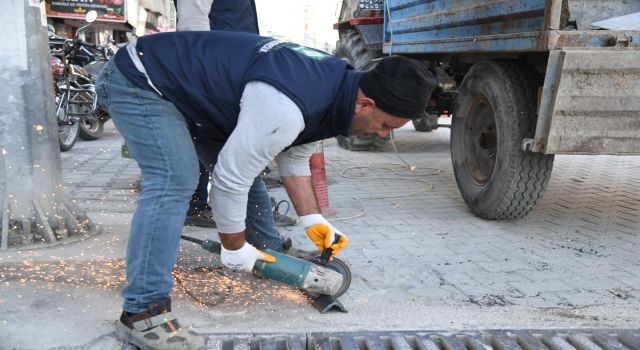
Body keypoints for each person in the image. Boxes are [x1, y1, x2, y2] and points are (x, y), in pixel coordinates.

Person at [96, 31, 437, 349]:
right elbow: (230, 180)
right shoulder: (289, 105)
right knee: (175, 179)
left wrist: (312, 218)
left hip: (194, 93)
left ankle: (269, 252)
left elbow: (294, 157)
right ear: (366, 104)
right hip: (142, 79)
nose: (381, 135)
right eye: (385, 126)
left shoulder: (337, 87)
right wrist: (233, 247)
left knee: (248, 165)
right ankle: (142, 311)